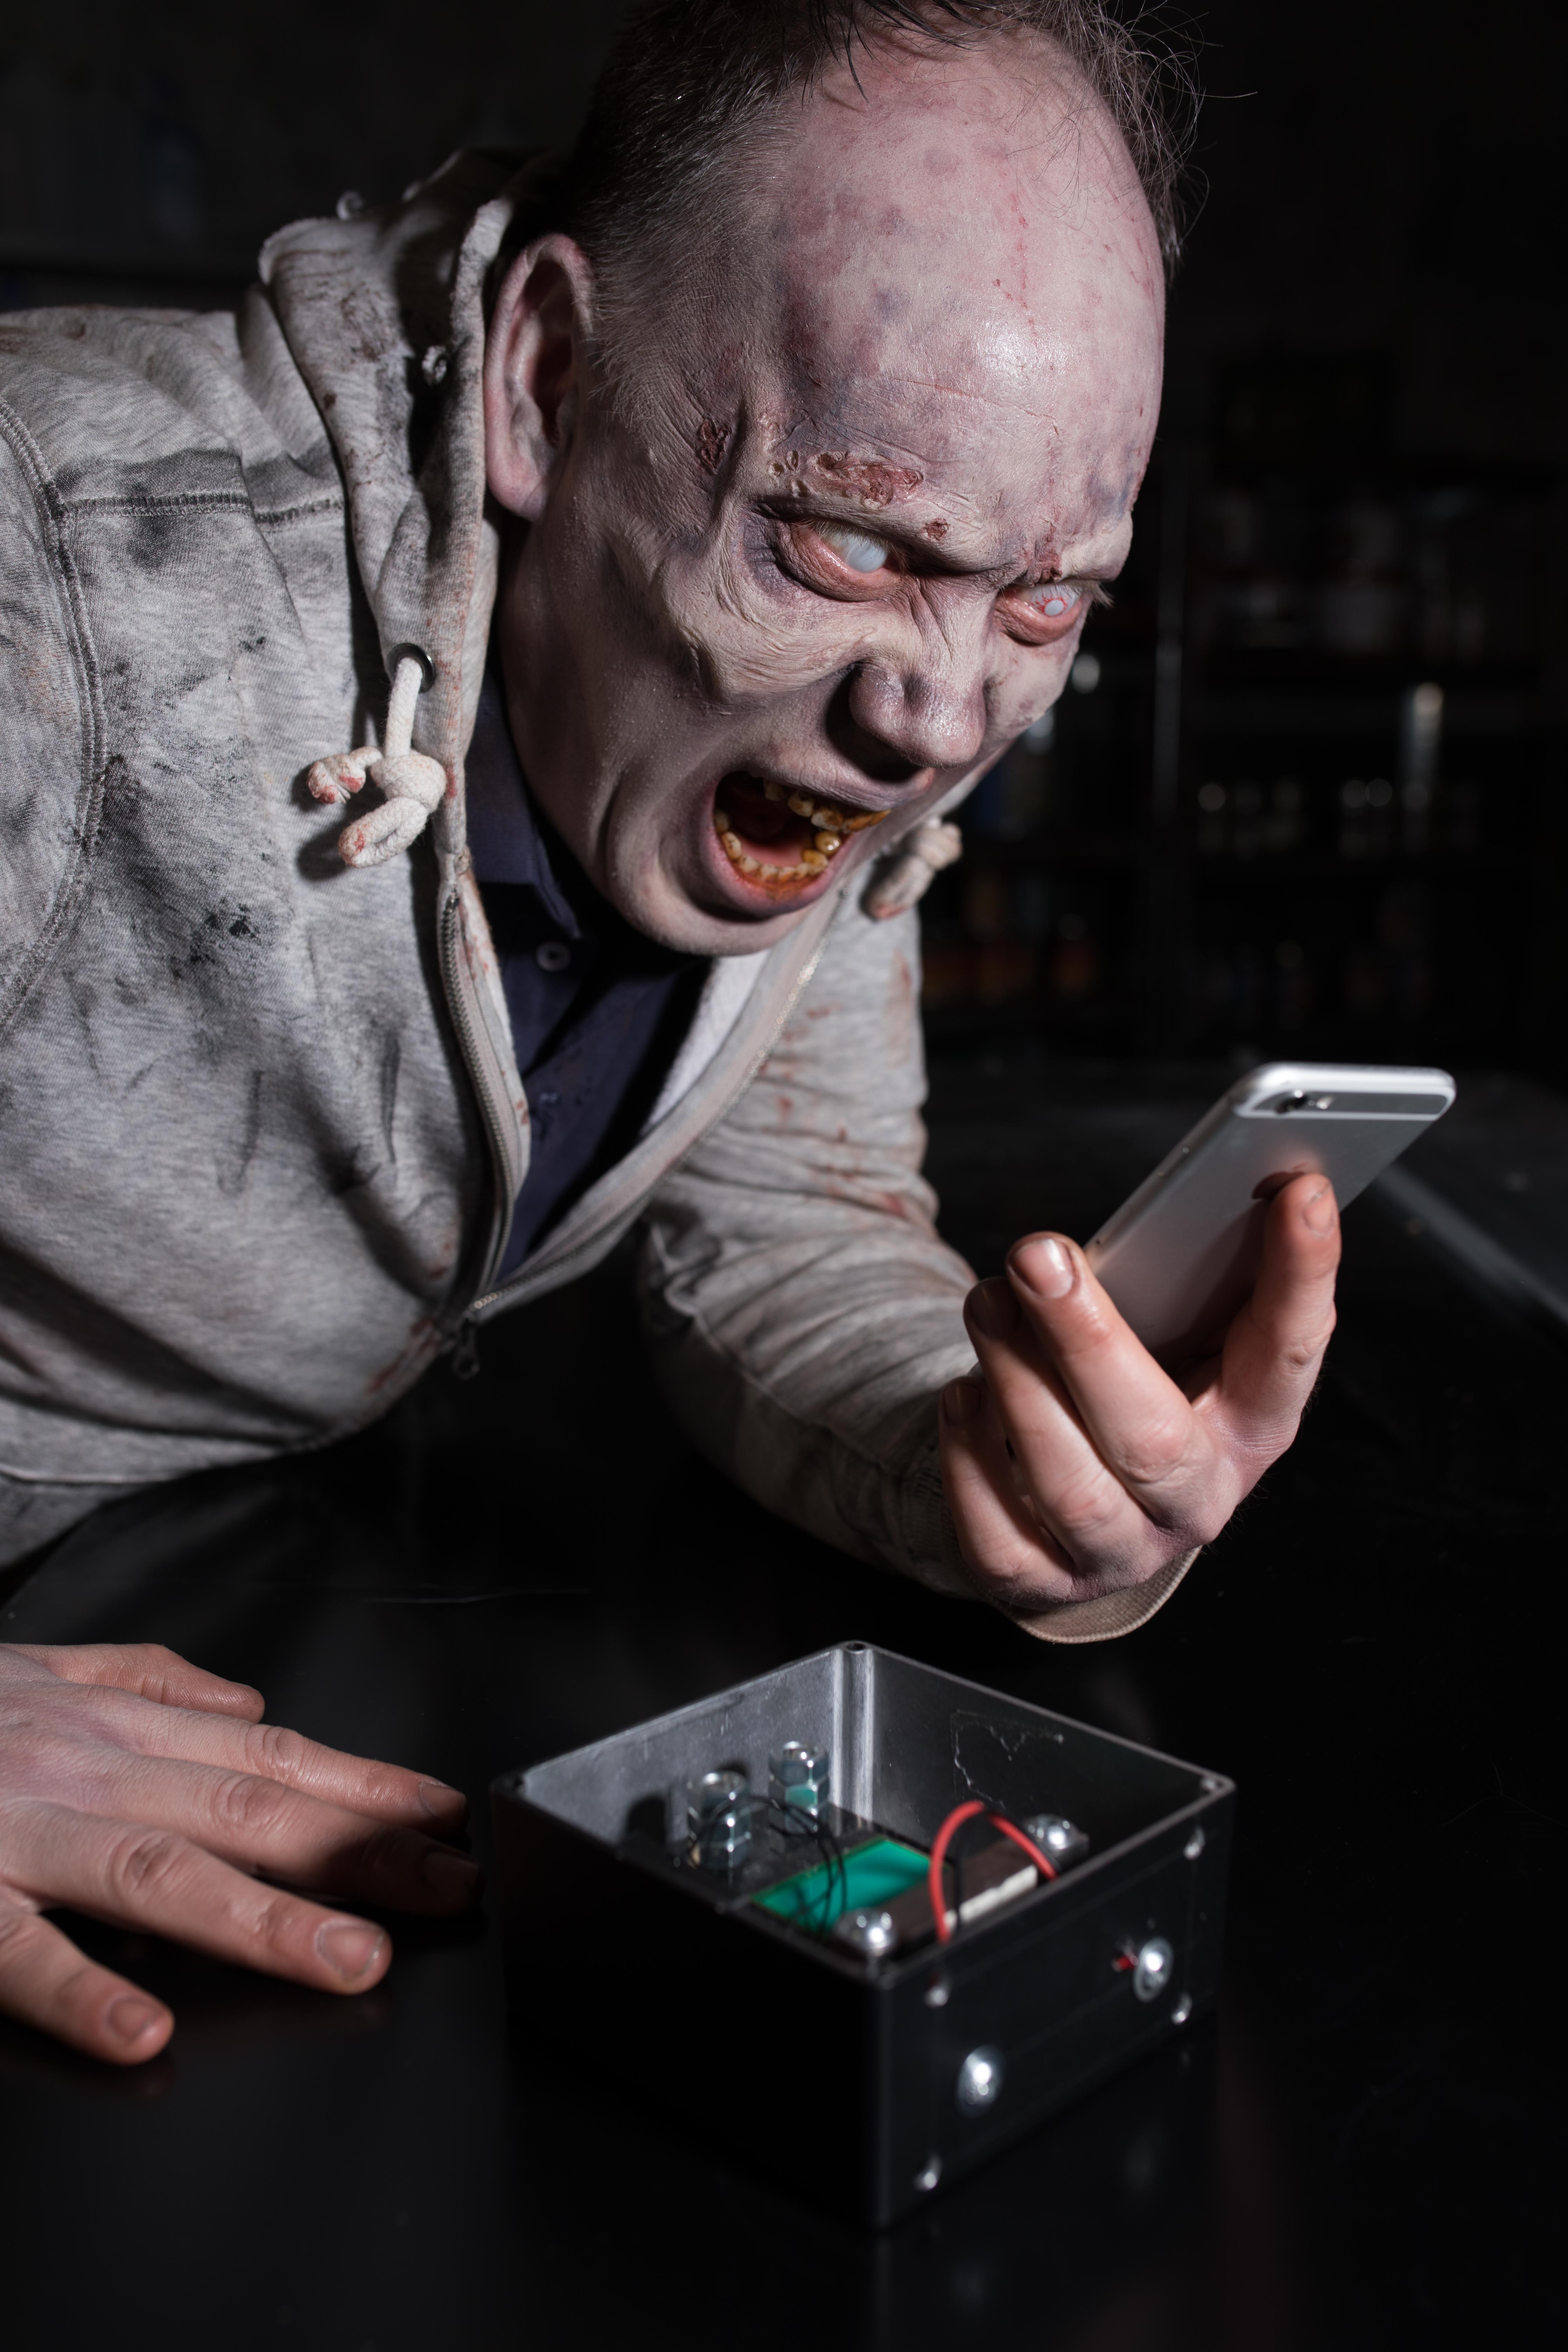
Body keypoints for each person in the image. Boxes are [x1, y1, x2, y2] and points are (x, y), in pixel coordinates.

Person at [0, 0, 1340, 2062]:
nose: (945, 719)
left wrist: (996, 1470)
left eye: (1055, 601)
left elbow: (788, 1225)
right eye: (847, 539)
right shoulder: (61, 581)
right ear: (543, 379)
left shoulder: (864, 706)